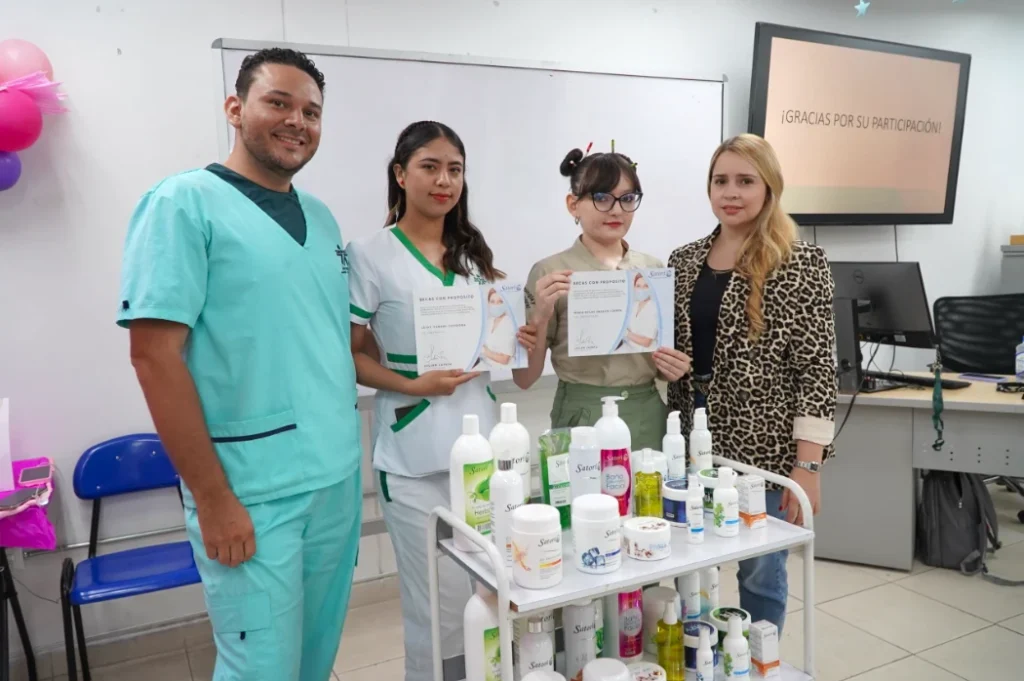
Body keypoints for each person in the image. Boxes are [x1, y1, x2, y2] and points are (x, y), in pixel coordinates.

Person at [117, 48, 362, 681]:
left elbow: (315, 340)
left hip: (335, 478)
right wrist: (212, 497)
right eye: (278, 103)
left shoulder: (322, 218)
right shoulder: (182, 204)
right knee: (261, 667)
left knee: (314, 658)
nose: (297, 121)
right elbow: (152, 356)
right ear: (235, 108)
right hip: (250, 490)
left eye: (311, 111)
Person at [346, 121, 536, 681]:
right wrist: (413, 385)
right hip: (414, 458)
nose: (444, 180)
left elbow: (503, 351)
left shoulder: (473, 256)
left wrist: (521, 334)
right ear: (401, 175)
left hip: (482, 452)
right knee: (435, 606)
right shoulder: (370, 254)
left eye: (455, 169)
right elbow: (350, 354)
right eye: (429, 167)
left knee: (492, 589)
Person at [667, 133, 837, 632]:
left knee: (761, 571)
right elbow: (677, 345)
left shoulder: (800, 262)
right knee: (688, 565)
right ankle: (700, 656)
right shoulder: (683, 261)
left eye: (745, 181)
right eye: (720, 180)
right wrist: (665, 363)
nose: (731, 192)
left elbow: (817, 370)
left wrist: (808, 466)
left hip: (764, 454)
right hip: (689, 444)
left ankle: (758, 660)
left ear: (769, 188)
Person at [514, 146, 691, 451]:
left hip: (647, 412)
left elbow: (660, 366)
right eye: (602, 197)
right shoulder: (550, 273)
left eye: (628, 198)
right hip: (583, 416)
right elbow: (524, 379)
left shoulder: (652, 270)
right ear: (573, 204)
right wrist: (540, 318)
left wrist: (673, 368)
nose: (617, 210)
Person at [616, 272, 658, 353]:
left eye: (645, 286)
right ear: (634, 287)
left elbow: (646, 342)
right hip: (628, 347)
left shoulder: (654, 308)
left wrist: (626, 333)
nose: (641, 289)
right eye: (638, 286)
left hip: (646, 352)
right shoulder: (634, 305)